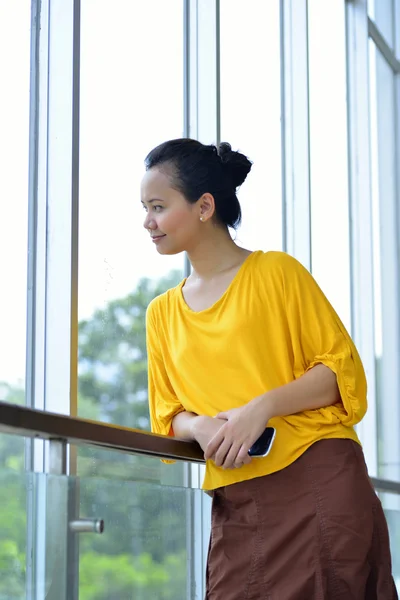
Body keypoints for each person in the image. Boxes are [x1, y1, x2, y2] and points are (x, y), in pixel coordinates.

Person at [142, 138, 397, 599]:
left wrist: (262, 408)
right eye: (145, 208)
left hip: (317, 478)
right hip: (236, 500)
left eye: (158, 207)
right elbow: (168, 413)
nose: (148, 222)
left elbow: (340, 372)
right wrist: (199, 426)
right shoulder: (161, 313)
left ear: (204, 206)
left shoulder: (276, 273)